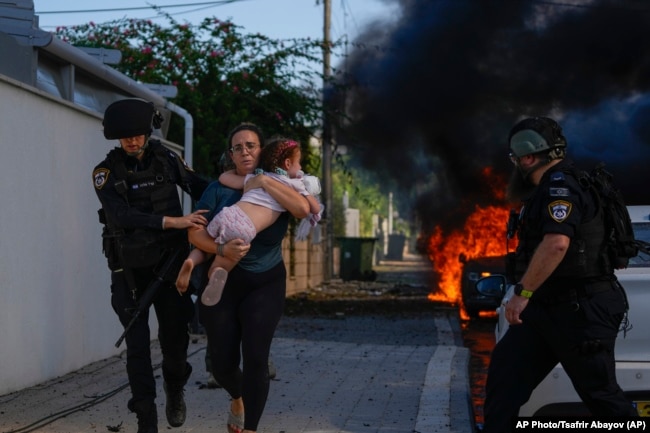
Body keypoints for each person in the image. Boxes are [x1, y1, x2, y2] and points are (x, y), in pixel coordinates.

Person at [481, 116, 637, 432]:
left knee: (602, 397)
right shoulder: (551, 189)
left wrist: (522, 293)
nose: (514, 166)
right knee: (504, 381)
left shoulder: (559, 187)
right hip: (547, 309)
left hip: (581, 309)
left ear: (527, 156)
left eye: (515, 159)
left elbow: (556, 244)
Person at [92, 98, 210, 433]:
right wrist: (172, 222)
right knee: (138, 347)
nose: (132, 140)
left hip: (170, 266)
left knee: (175, 341)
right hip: (129, 271)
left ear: (148, 132)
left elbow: (198, 186)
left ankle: (175, 387)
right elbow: (121, 215)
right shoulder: (104, 172)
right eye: (125, 136)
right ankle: (147, 419)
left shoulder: (167, 159)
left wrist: (241, 192)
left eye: (138, 134)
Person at [189, 123, 311, 433]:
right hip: (223, 281)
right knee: (222, 364)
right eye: (238, 147)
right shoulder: (217, 190)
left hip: (265, 282)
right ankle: (237, 395)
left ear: (262, 151)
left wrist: (264, 184)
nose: (244, 151)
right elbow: (194, 233)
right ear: (230, 154)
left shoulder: (277, 183)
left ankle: (251, 428)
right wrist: (220, 247)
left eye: (251, 145)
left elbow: (301, 207)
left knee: (257, 356)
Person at [175, 138, 321, 306]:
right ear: (288, 164)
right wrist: (309, 193)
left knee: (206, 245)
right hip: (245, 228)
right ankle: (217, 273)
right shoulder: (294, 185)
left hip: (228, 214)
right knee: (224, 261)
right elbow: (314, 209)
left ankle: (191, 261)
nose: (301, 168)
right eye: (299, 164)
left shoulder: (257, 176)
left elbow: (224, 178)